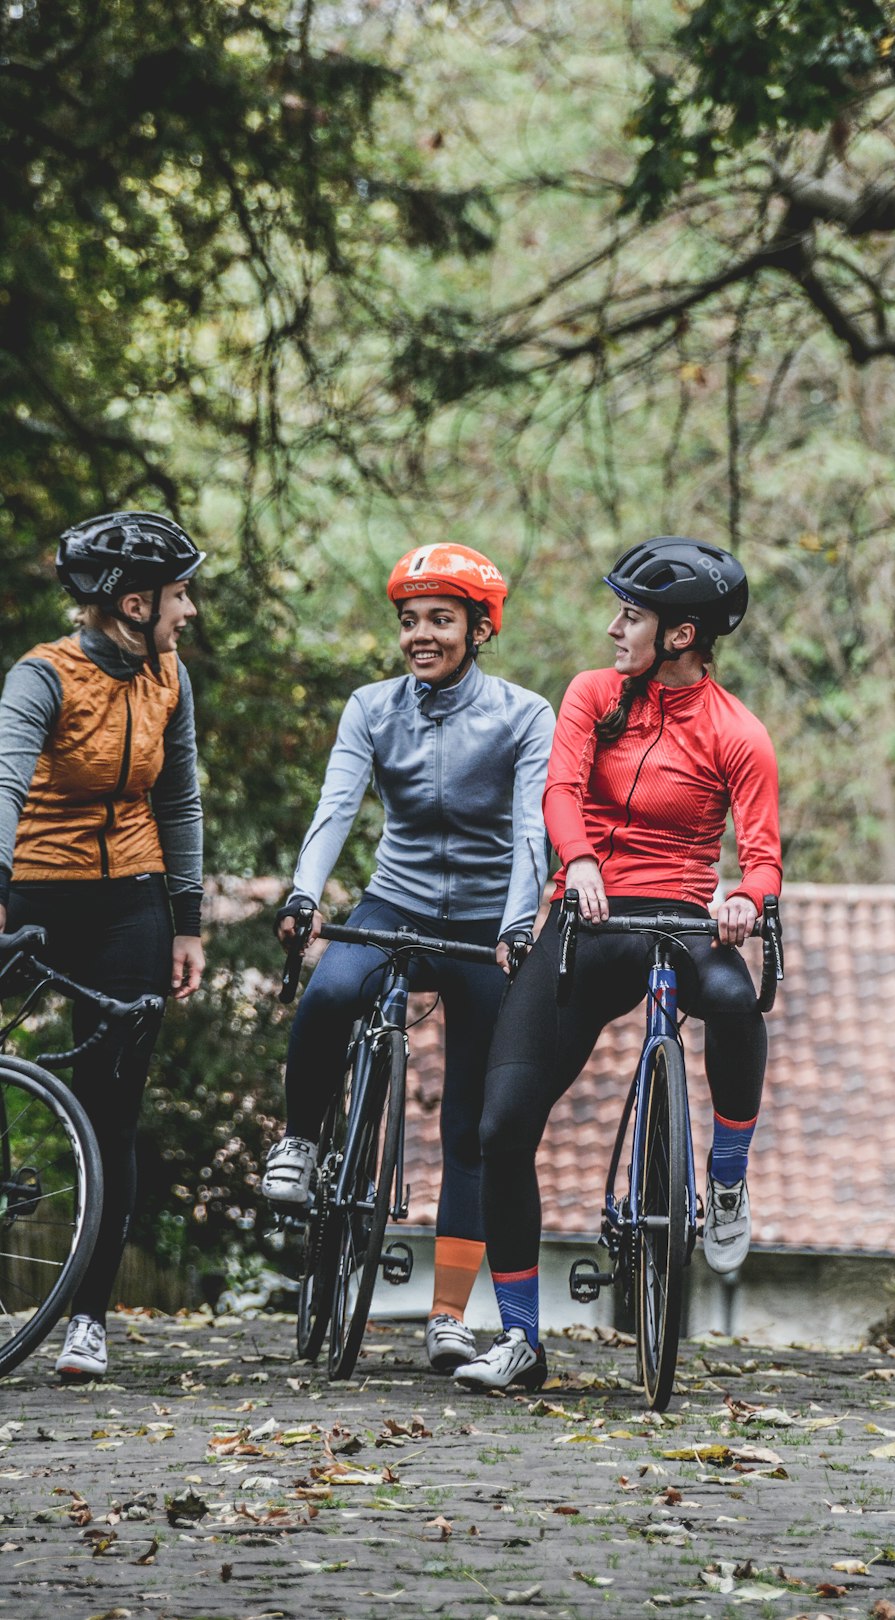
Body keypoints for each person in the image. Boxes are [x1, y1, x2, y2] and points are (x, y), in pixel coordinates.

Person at [455, 535, 782, 1392]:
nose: (613, 628)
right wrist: (583, 860)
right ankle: (521, 1341)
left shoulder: (737, 732)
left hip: (679, 921)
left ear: (679, 635)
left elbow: (762, 852)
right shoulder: (593, 696)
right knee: (501, 1127)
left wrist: (746, 899)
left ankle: (729, 1180)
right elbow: (559, 791)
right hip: (588, 915)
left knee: (739, 1008)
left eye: (630, 616)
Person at [261, 543, 555, 1373]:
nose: (420, 635)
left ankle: (449, 1318)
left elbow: (534, 832)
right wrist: (303, 894)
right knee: (329, 991)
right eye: (409, 621)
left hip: (486, 925)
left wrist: (516, 926)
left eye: (439, 619)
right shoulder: (371, 708)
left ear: (478, 627)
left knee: (470, 1125)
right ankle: (299, 1142)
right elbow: (336, 807)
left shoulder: (523, 715)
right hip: (395, 902)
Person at [0, 511, 207, 1379]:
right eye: (178, 595)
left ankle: (88, 1321)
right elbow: (4, 781)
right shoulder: (40, 677)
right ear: (133, 602)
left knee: (112, 1107)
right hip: (32, 889)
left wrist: (187, 921)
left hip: (130, 898)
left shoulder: (169, 676)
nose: (187, 611)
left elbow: (181, 802)